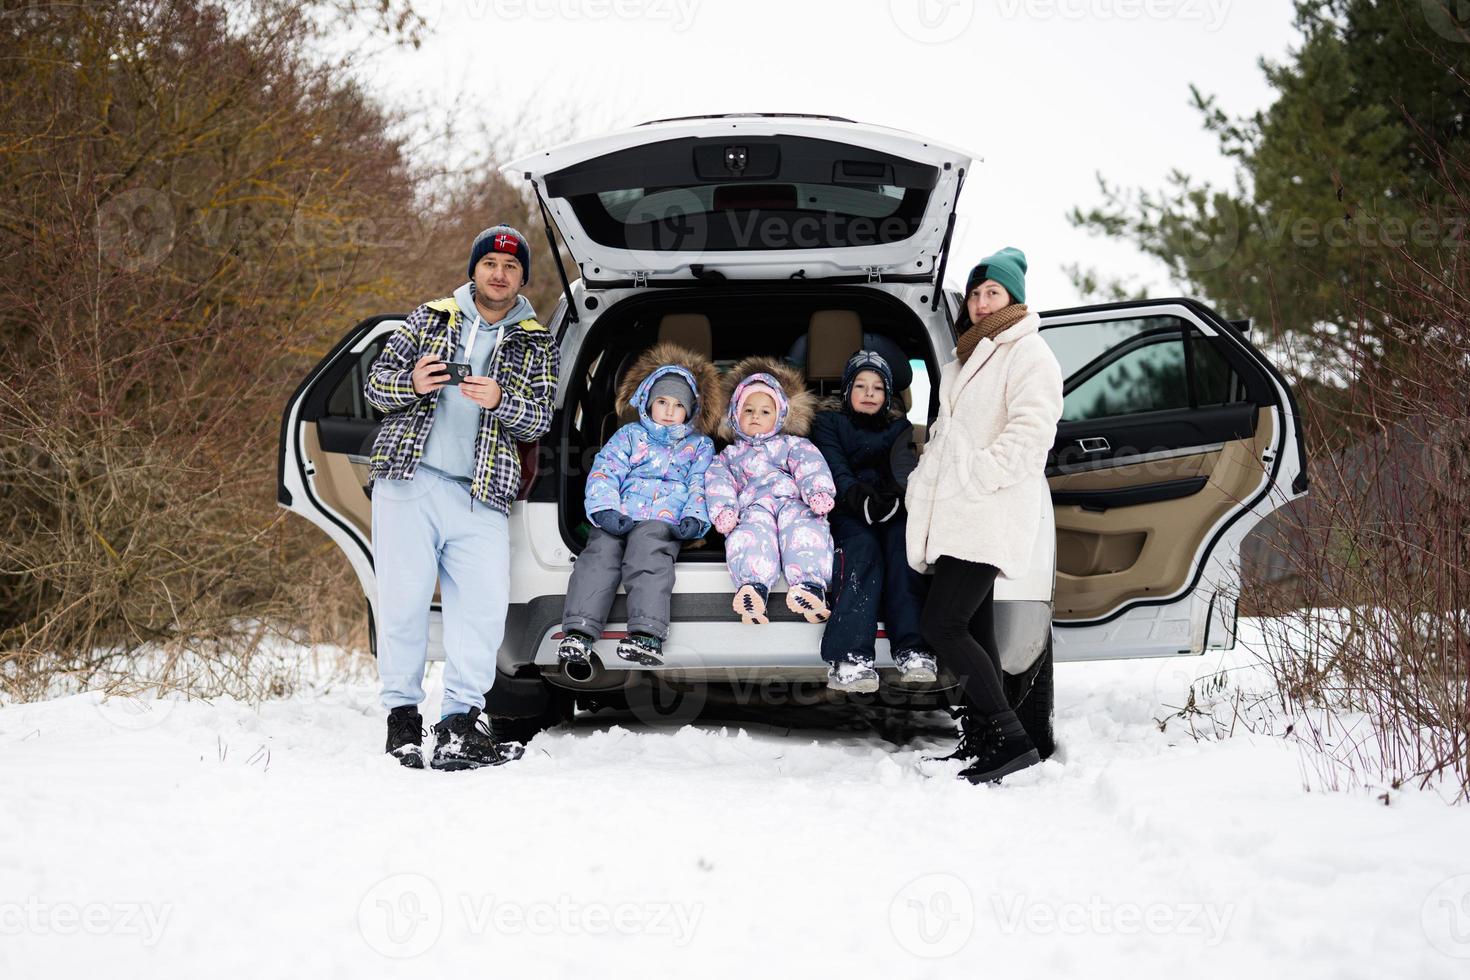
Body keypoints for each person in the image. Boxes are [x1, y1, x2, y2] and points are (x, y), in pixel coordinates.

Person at [363, 224, 559, 771]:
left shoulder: (537, 340)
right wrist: (415, 383)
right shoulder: (428, 317)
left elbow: (539, 417)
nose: (499, 274)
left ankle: (458, 725)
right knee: (402, 605)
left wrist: (500, 398)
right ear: (474, 269)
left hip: (483, 494)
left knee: (482, 613)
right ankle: (402, 721)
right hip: (409, 479)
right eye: (490, 264)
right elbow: (376, 386)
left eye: (511, 267)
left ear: (522, 278)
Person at [905, 247, 1063, 785]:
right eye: (974, 293)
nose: (979, 302)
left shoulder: (1029, 353)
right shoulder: (969, 357)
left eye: (991, 292)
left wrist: (979, 476)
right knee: (975, 627)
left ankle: (1013, 739)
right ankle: (985, 741)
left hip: (988, 510)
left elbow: (1032, 432)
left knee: (941, 623)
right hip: (960, 512)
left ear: (1013, 298)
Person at [557, 343, 720, 670]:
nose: (670, 410)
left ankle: (646, 634)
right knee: (599, 553)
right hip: (620, 515)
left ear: (691, 411)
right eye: (662, 402)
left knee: (648, 555)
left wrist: (693, 518)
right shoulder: (629, 436)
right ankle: (579, 631)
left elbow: (701, 484)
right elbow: (605, 471)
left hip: (663, 523)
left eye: (678, 405)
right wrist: (605, 510)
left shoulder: (700, 446)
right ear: (647, 402)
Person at [809, 350, 935, 693]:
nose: (868, 393)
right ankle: (850, 654)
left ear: (888, 395)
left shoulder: (899, 427)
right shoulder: (828, 423)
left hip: (889, 506)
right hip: (846, 508)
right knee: (862, 550)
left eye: (877, 388)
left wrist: (897, 499)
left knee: (903, 549)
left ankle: (913, 647)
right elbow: (833, 466)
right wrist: (855, 496)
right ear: (847, 390)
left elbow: (903, 468)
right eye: (860, 385)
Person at [706, 357, 836, 625]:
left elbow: (810, 467)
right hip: (753, 507)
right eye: (748, 410)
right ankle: (753, 588)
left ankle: (810, 587)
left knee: (805, 531)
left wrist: (817, 493)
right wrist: (725, 511)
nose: (756, 416)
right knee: (750, 535)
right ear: (734, 416)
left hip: (794, 502)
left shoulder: (793, 444)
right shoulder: (728, 455)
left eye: (765, 412)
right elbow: (718, 483)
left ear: (779, 417)